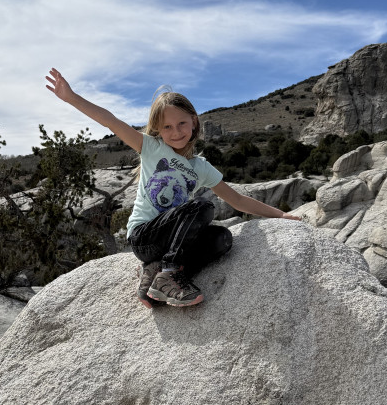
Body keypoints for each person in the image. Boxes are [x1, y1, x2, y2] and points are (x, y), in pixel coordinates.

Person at [46, 69, 302, 308]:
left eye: (181, 124)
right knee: (201, 207)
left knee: (221, 239)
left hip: (172, 242)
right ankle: (168, 273)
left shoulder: (201, 167)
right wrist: (71, 97)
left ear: (194, 122)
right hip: (144, 237)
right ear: (158, 129)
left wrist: (280, 214)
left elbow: (237, 200)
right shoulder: (151, 148)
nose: (176, 132)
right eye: (167, 127)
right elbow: (110, 121)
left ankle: (156, 273)